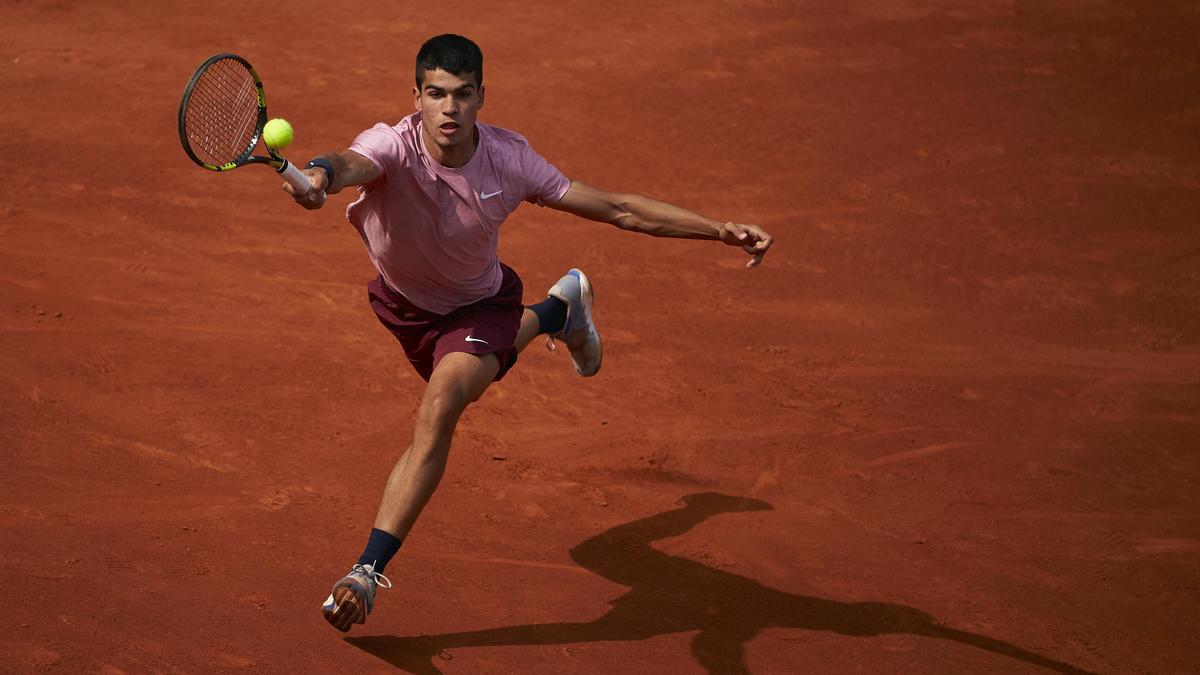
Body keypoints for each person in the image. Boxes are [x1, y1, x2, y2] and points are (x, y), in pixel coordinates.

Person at [285, 34, 774, 633]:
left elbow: (619, 208)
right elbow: (348, 162)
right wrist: (318, 173)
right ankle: (558, 312)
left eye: (463, 95)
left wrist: (717, 230)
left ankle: (365, 572)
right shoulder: (392, 144)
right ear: (415, 97)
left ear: (481, 97)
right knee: (463, 380)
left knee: (442, 404)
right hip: (405, 307)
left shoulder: (509, 161)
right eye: (435, 94)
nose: (449, 109)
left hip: (480, 305)